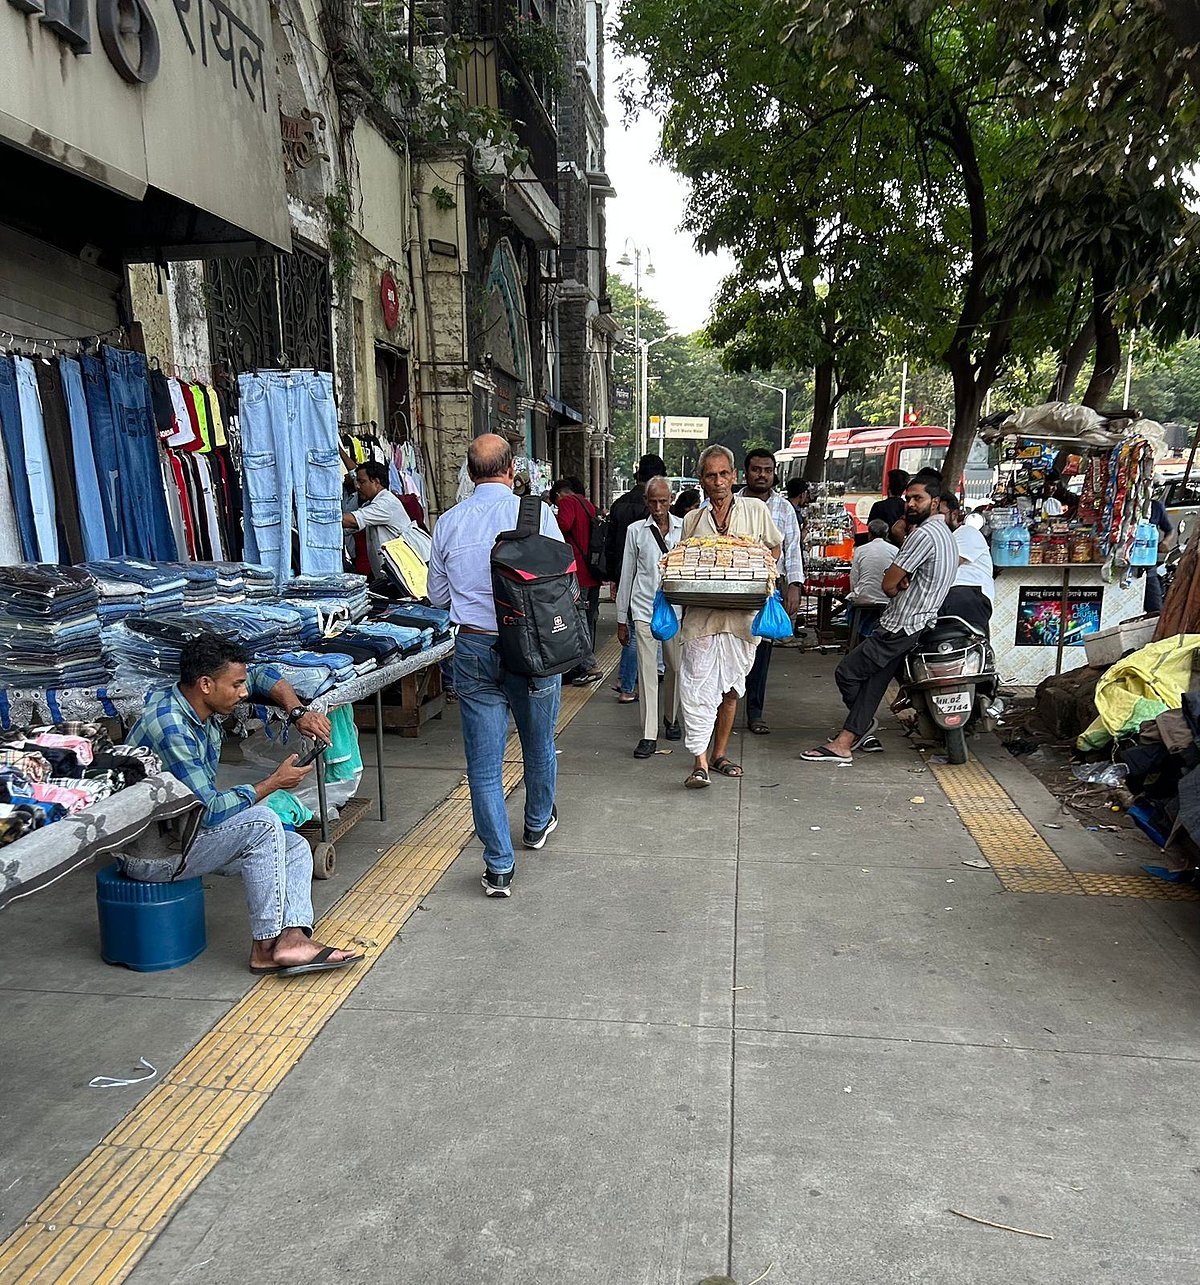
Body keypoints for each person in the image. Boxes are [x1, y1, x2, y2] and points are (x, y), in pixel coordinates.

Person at [125, 635, 363, 976]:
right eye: (236, 685)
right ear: (206, 684)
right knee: (264, 823)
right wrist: (273, 783)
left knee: (294, 845)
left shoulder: (194, 698)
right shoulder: (171, 727)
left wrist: (297, 712)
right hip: (156, 853)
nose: (244, 692)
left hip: (184, 831)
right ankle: (265, 948)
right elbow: (209, 812)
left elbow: (262, 674)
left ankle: (292, 938)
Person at [427, 434, 565, 898]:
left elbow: (437, 597)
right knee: (538, 743)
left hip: (473, 647)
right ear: (512, 470)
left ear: (469, 474)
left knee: (484, 766)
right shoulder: (538, 514)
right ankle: (536, 823)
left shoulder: (448, 522)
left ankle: (499, 867)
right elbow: (560, 579)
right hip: (533, 648)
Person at [800, 476, 957, 763]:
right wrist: (902, 578)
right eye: (908, 498)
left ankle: (859, 729)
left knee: (847, 672)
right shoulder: (945, 534)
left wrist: (897, 582)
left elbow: (888, 584)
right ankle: (846, 741)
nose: (911, 504)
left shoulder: (923, 535)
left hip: (901, 624)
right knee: (874, 684)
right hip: (918, 623)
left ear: (935, 502)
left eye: (918, 499)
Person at [679, 445, 782, 788]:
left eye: (724, 474)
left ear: (734, 476)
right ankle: (699, 762)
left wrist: (761, 570)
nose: (719, 481)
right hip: (701, 619)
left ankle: (719, 754)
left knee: (731, 690)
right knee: (696, 688)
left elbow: (775, 547)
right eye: (711, 475)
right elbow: (683, 563)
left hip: (741, 618)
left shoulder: (755, 510)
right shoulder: (693, 520)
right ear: (701, 480)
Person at [616, 475, 683, 758]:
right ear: (646, 501)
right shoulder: (635, 531)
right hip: (643, 608)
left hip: (675, 610)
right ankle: (648, 734)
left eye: (663, 501)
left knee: (675, 667)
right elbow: (627, 573)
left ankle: (671, 717)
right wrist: (622, 617)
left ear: (671, 500)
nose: (658, 507)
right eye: (653, 502)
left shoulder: (684, 528)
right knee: (646, 672)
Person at [740, 448, 804, 735]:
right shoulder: (734, 502)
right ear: (746, 473)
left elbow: (792, 550)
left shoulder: (784, 508)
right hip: (735, 587)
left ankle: (755, 712)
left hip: (768, 588)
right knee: (731, 646)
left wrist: (795, 586)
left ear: (774, 473)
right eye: (756, 469)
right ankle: (719, 710)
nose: (762, 475)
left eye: (767, 470)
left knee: (761, 650)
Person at [606, 455, 668, 702]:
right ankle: (629, 684)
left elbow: (611, 544)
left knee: (633, 630)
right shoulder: (653, 511)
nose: (658, 506)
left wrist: (613, 577)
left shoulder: (619, 505)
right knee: (637, 632)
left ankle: (626, 679)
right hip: (648, 579)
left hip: (626, 573)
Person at [551, 477, 602, 686]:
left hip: (577, 570)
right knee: (588, 619)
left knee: (577, 619)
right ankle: (585, 663)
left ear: (559, 494)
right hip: (593, 570)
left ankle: (588, 665)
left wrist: (551, 519)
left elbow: (562, 527)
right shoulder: (588, 504)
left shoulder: (567, 502)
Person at [341, 460, 413, 577]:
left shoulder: (386, 503)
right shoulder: (370, 504)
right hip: (387, 575)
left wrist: (320, 517)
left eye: (362, 482)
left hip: (399, 575)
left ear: (376, 482)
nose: (357, 487)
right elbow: (347, 529)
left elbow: (353, 520)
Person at [939, 493, 994, 635]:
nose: (934, 519)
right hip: (943, 596)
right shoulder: (938, 540)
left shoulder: (966, 532)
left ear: (954, 514)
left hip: (966, 593)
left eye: (939, 514)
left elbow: (947, 565)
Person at [847, 518, 896, 643]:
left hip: (864, 598)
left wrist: (855, 592)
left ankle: (859, 637)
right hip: (887, 599)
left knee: (852, 604)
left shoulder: (860, 550)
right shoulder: (895, 550)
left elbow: (854, 578)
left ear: (870, 534)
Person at [1144, 496, 1175, 613]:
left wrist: (1165, 542)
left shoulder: (1156, 506)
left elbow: (1170, 530)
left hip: (1148, 565)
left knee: (1155, 607)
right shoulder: (1122, 505)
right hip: (1123, 562)